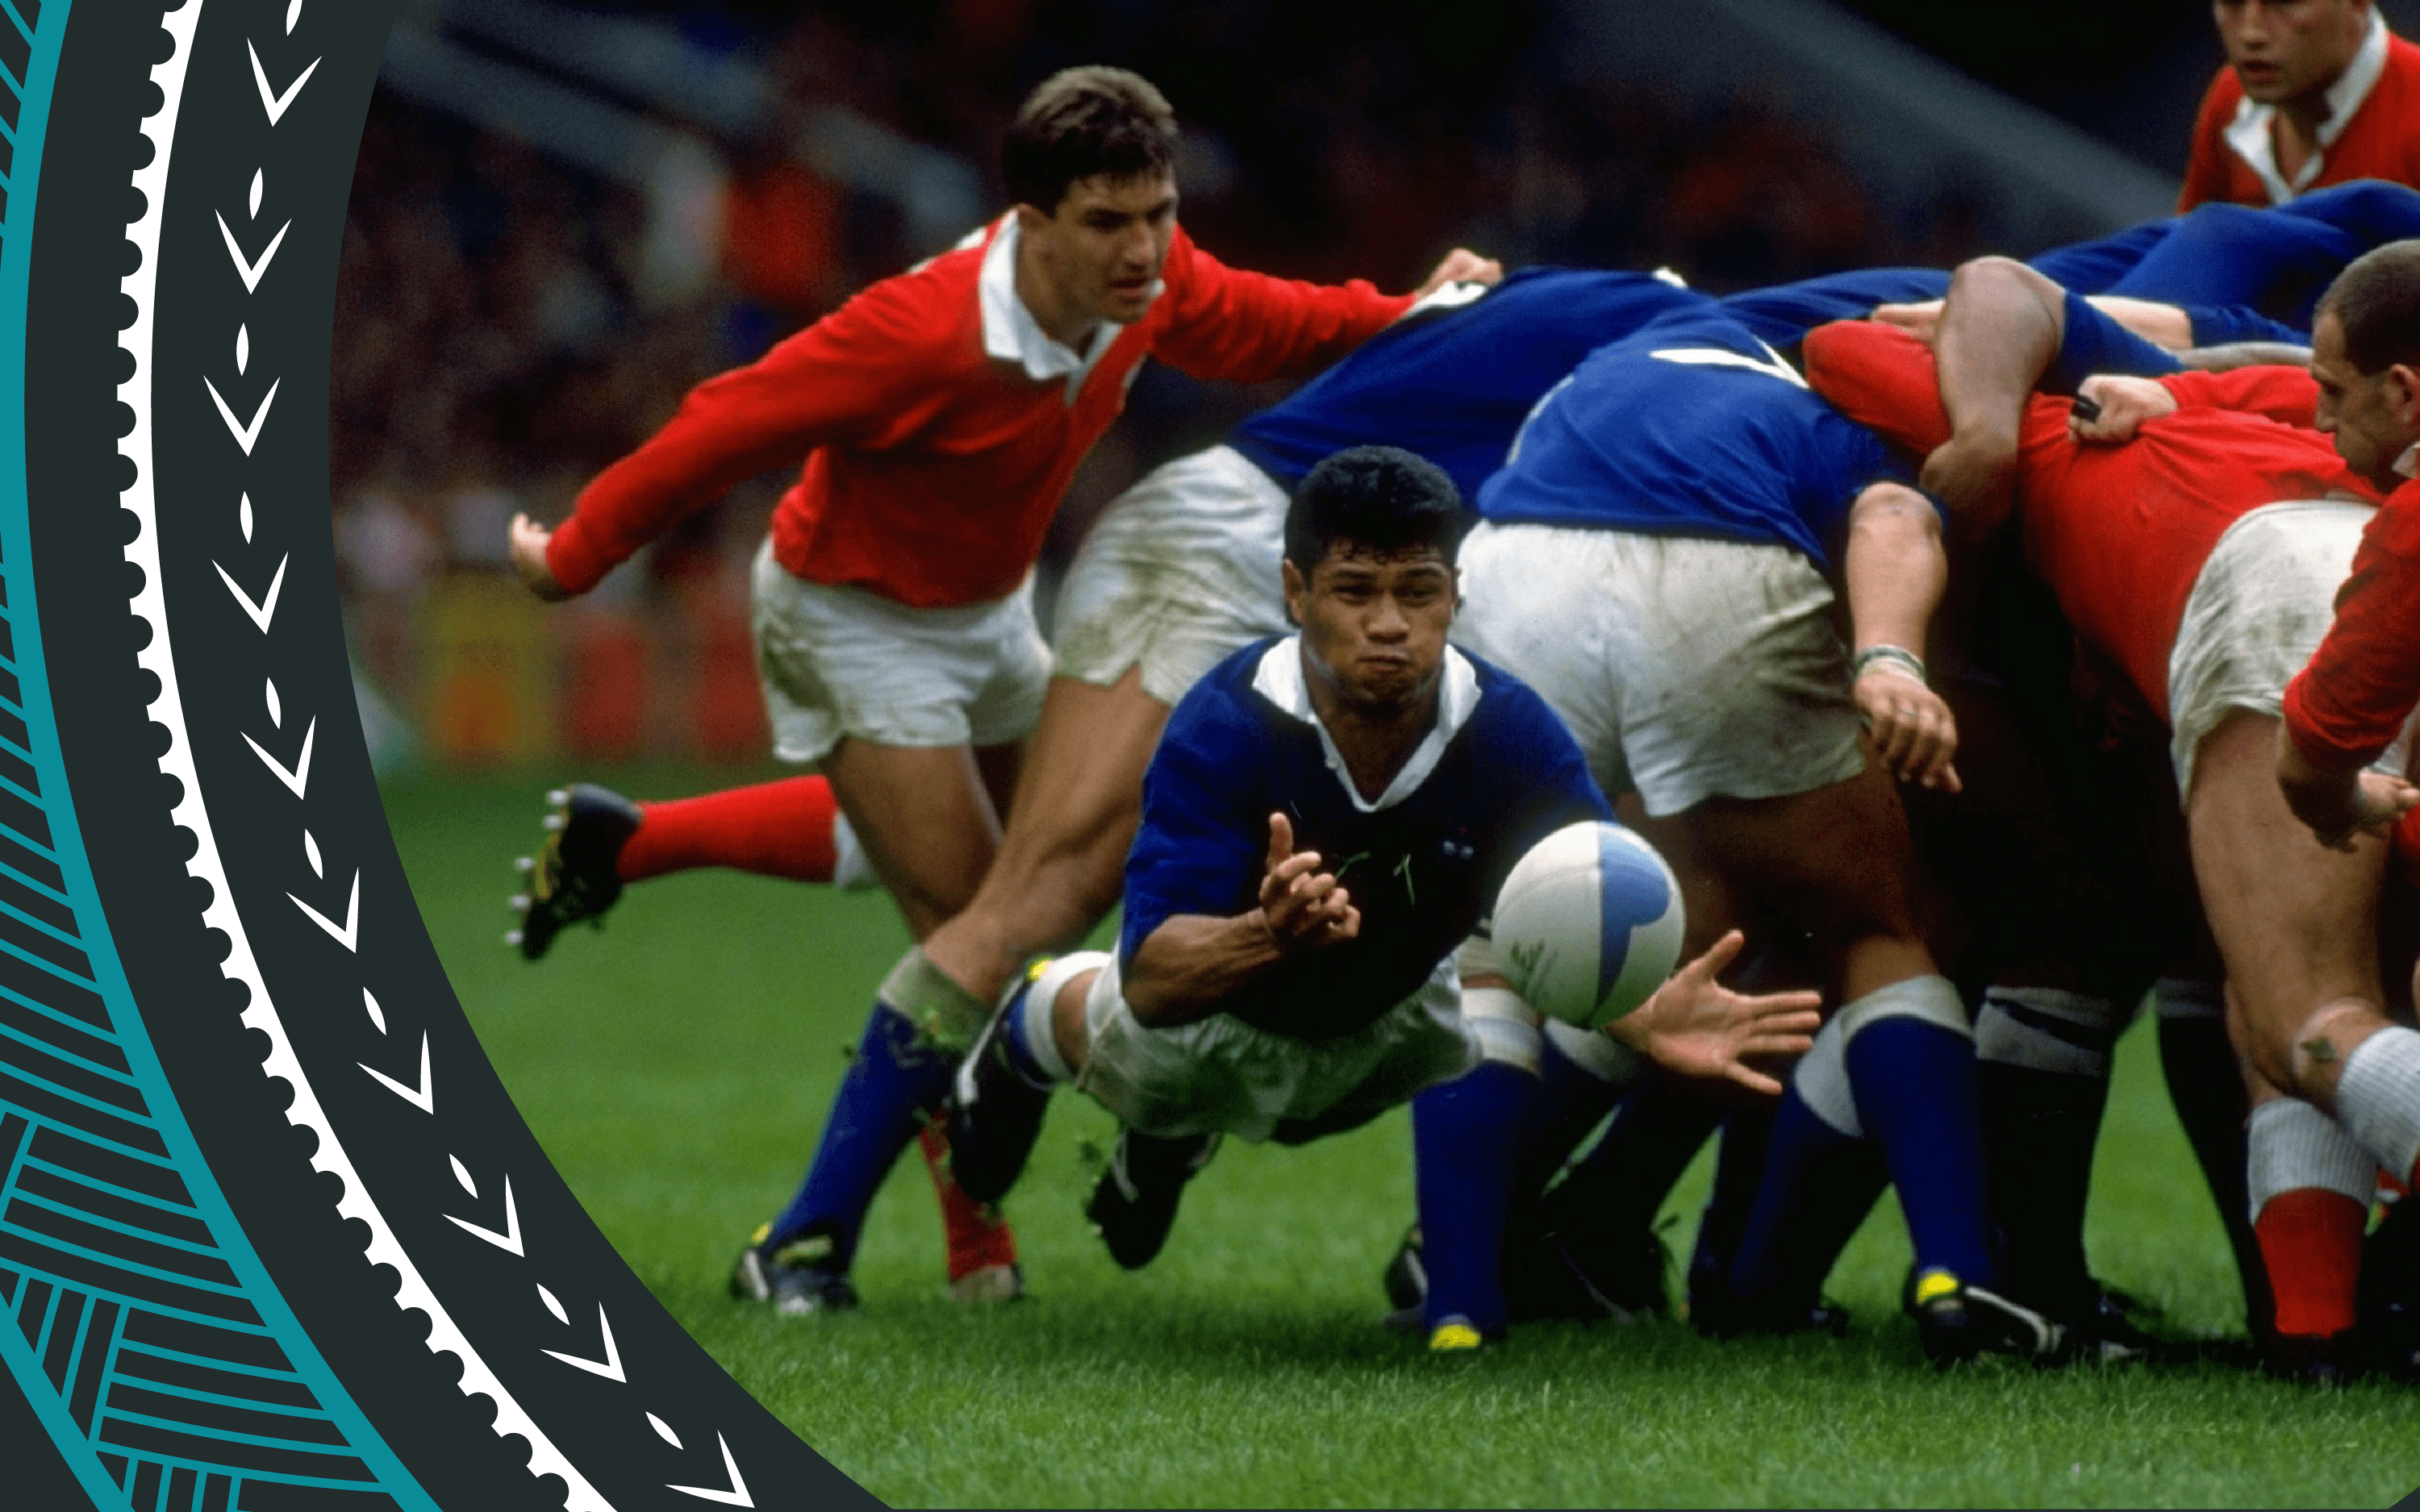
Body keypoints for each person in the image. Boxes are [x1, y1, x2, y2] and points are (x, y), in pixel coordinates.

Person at [503, 65, 1497, 1314]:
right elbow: (727, 422)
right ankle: (813, 1246)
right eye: (1108, 223)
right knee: (985, 918)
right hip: (850, 621)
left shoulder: (1148, 284)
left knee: (1049, 868)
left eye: (1159, 215)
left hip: (986, 620)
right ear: (1031, 223)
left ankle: (631, 842)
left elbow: (1267, 321)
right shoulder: (918, 330)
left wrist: (1420, 310)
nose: (1145, 250)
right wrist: (574, 557)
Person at [941, 446, 1820, 1349]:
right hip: (1209, 1023)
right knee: (1130, 1050)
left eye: (1418, 591)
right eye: (1355, 592)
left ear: (1456, 594)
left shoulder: (1509, 728)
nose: (1391, 624)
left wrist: (1636, 1009)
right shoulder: (1227, 721)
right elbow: (1158, 980)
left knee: (1491, 959)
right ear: (1296, 593)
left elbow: (1574, 908)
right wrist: (1265, 936)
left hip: (1394, 1023)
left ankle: (1462, 1316)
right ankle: (1036, 1021)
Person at [1450, 296, 2074, 1364]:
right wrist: (1889, 658)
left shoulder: (1593, 374)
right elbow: (1894, 519)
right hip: (1715, 568)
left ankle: (1457, 1270)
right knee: (1880, 921)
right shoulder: (1814, 411)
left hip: (1507, 570)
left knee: (1551, 943)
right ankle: (1957, 1274)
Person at [1805, 281, 2410, 1377]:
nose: (2321, 409)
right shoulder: (2300, 410)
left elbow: (1841, 347)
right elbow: (2282, 375)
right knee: (2292, 1000)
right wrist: (2188, 368)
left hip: (2272, 593)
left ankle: (2325, 1330)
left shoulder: (2058, 420)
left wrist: (1990, 378)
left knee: (2305, 1022)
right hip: (2373, 567)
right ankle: (2317, 1337)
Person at [2180, 1, 2420, 210]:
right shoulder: (2229, 98)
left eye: (2286, 2)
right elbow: (2184, 255)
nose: (2251, 33)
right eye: (2232, 2)